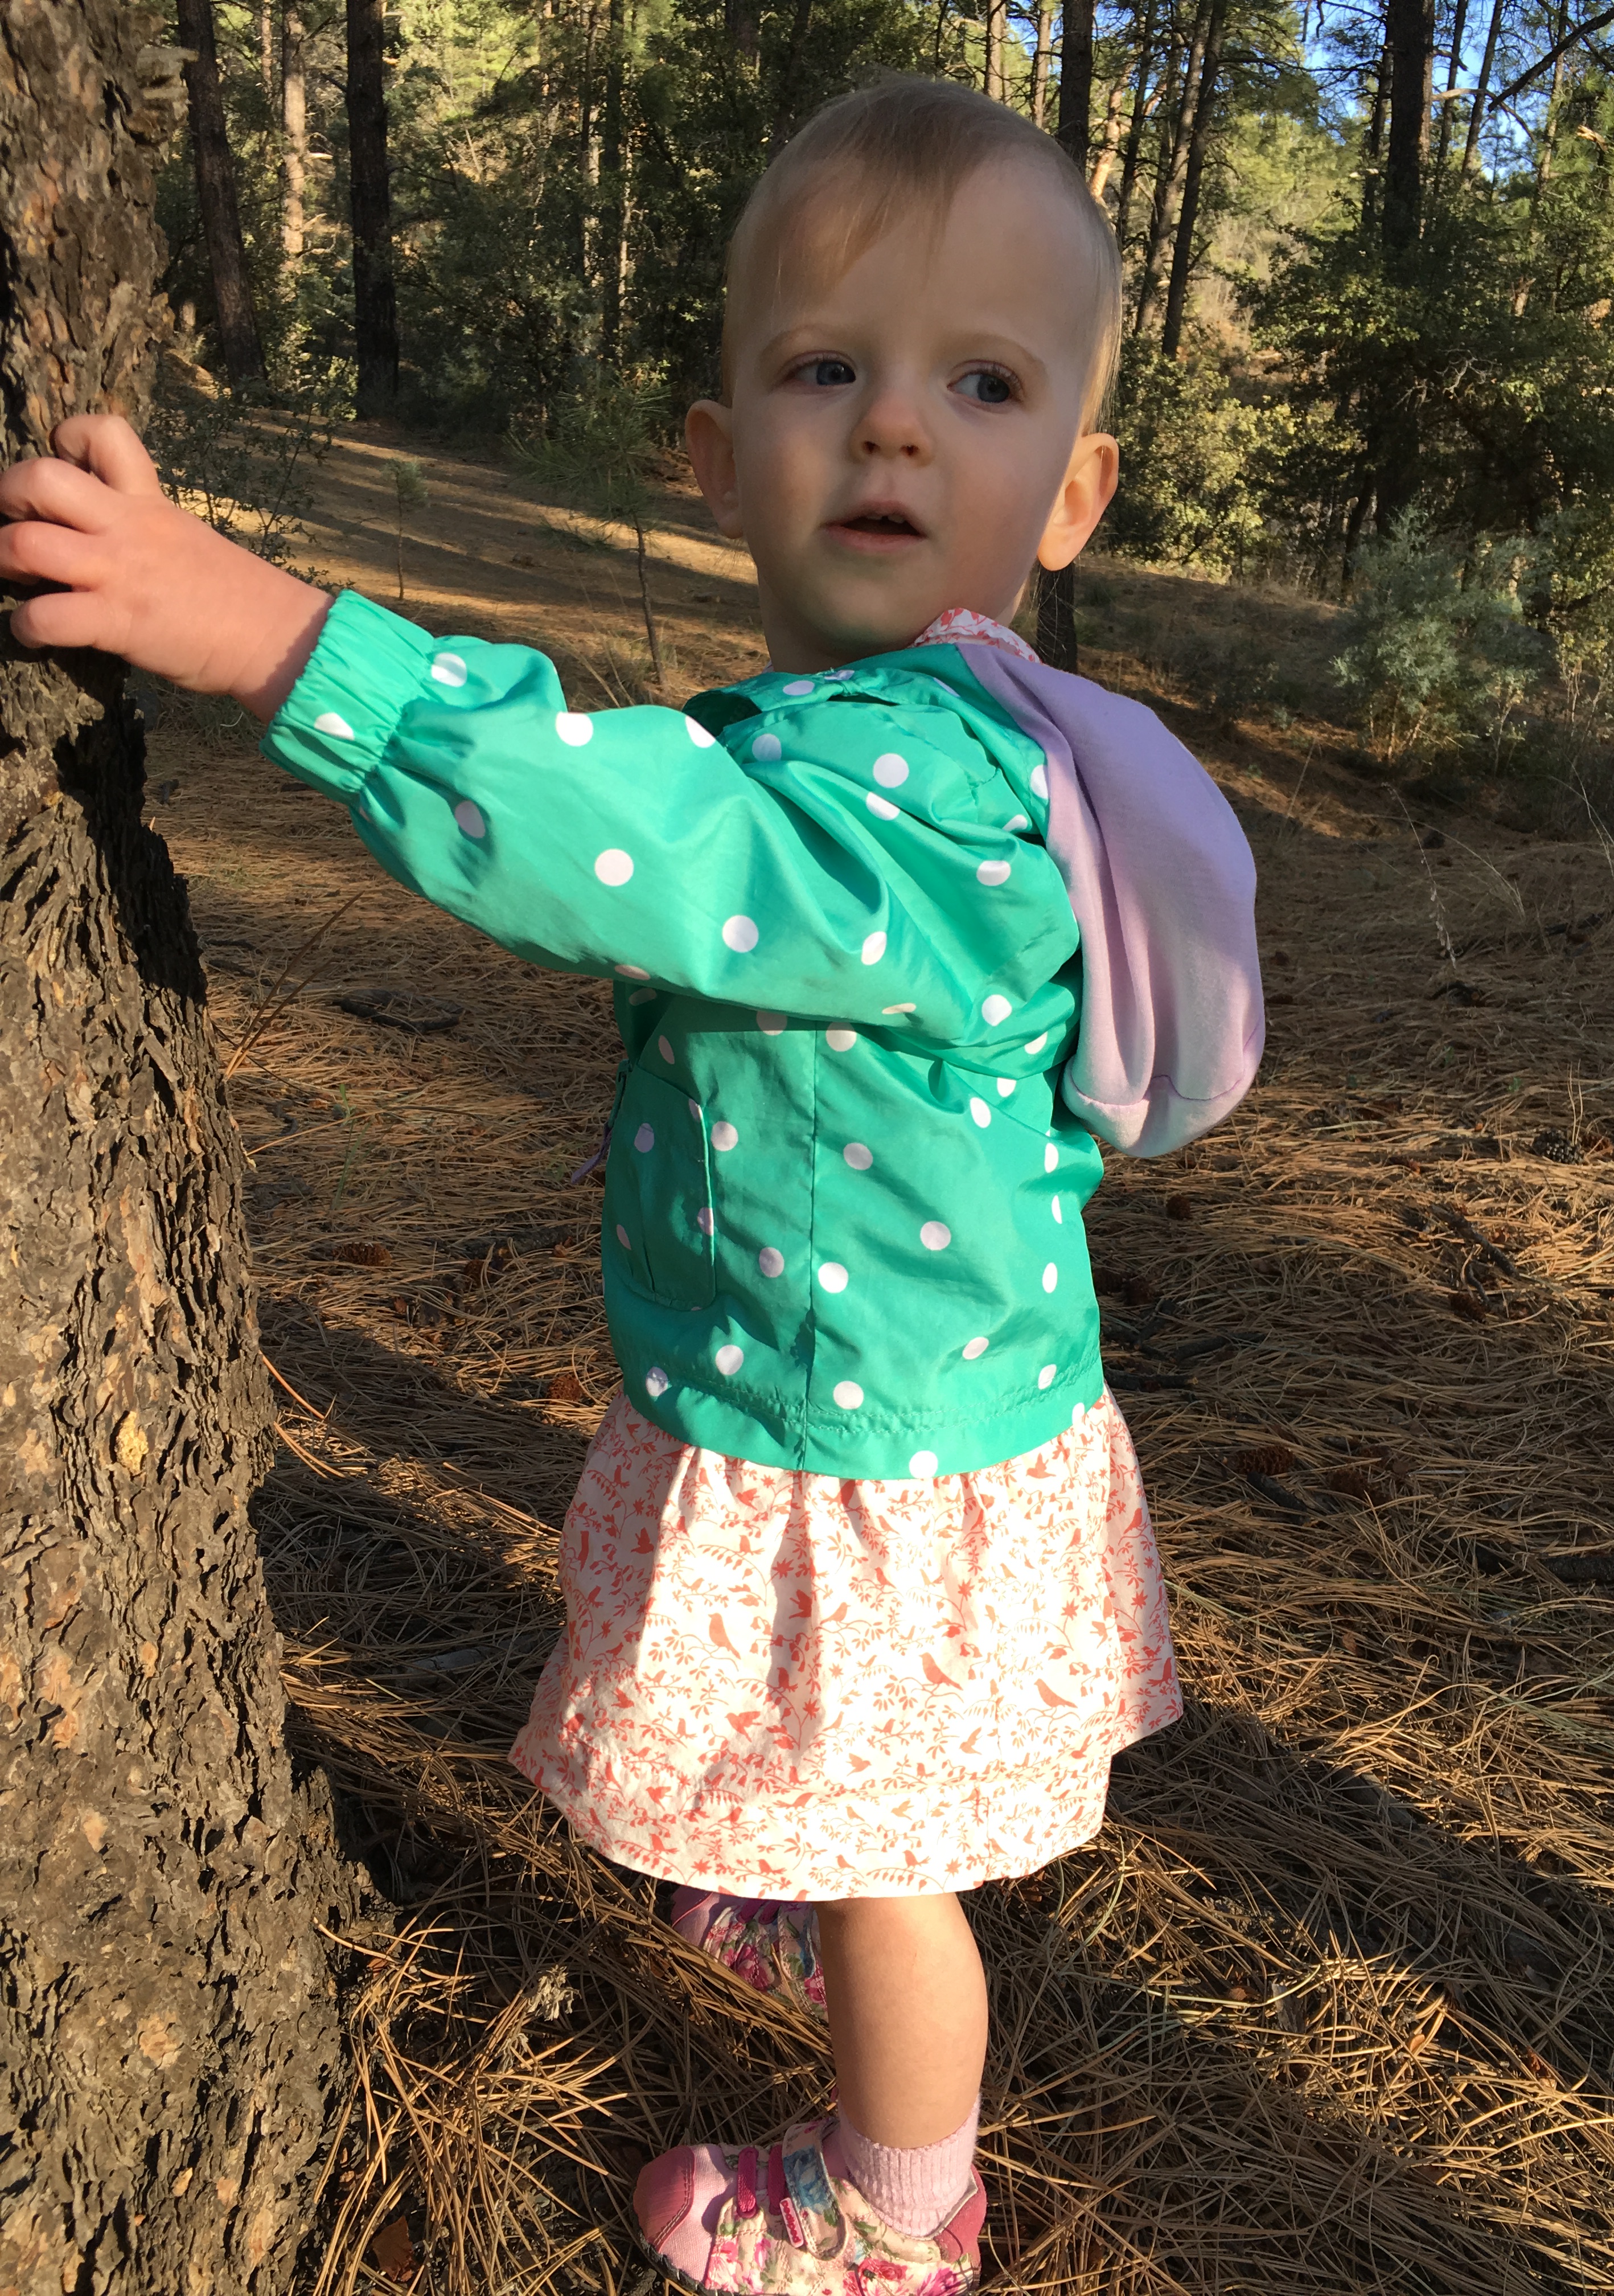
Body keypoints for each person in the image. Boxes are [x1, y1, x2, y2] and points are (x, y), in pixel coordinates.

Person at [0, 73, 1263, 2296]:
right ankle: (794, 1855)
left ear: (1072, 493)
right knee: (840, 1802)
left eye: (981, 385)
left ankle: (897, 2207)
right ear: (717, 452)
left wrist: (281, 641)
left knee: (896, 1881)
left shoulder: (921, 792)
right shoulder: (922, 733)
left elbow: (645, 836)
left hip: (871, 1458)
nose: (896, 426)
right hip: (876, 1406)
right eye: (827, 369)